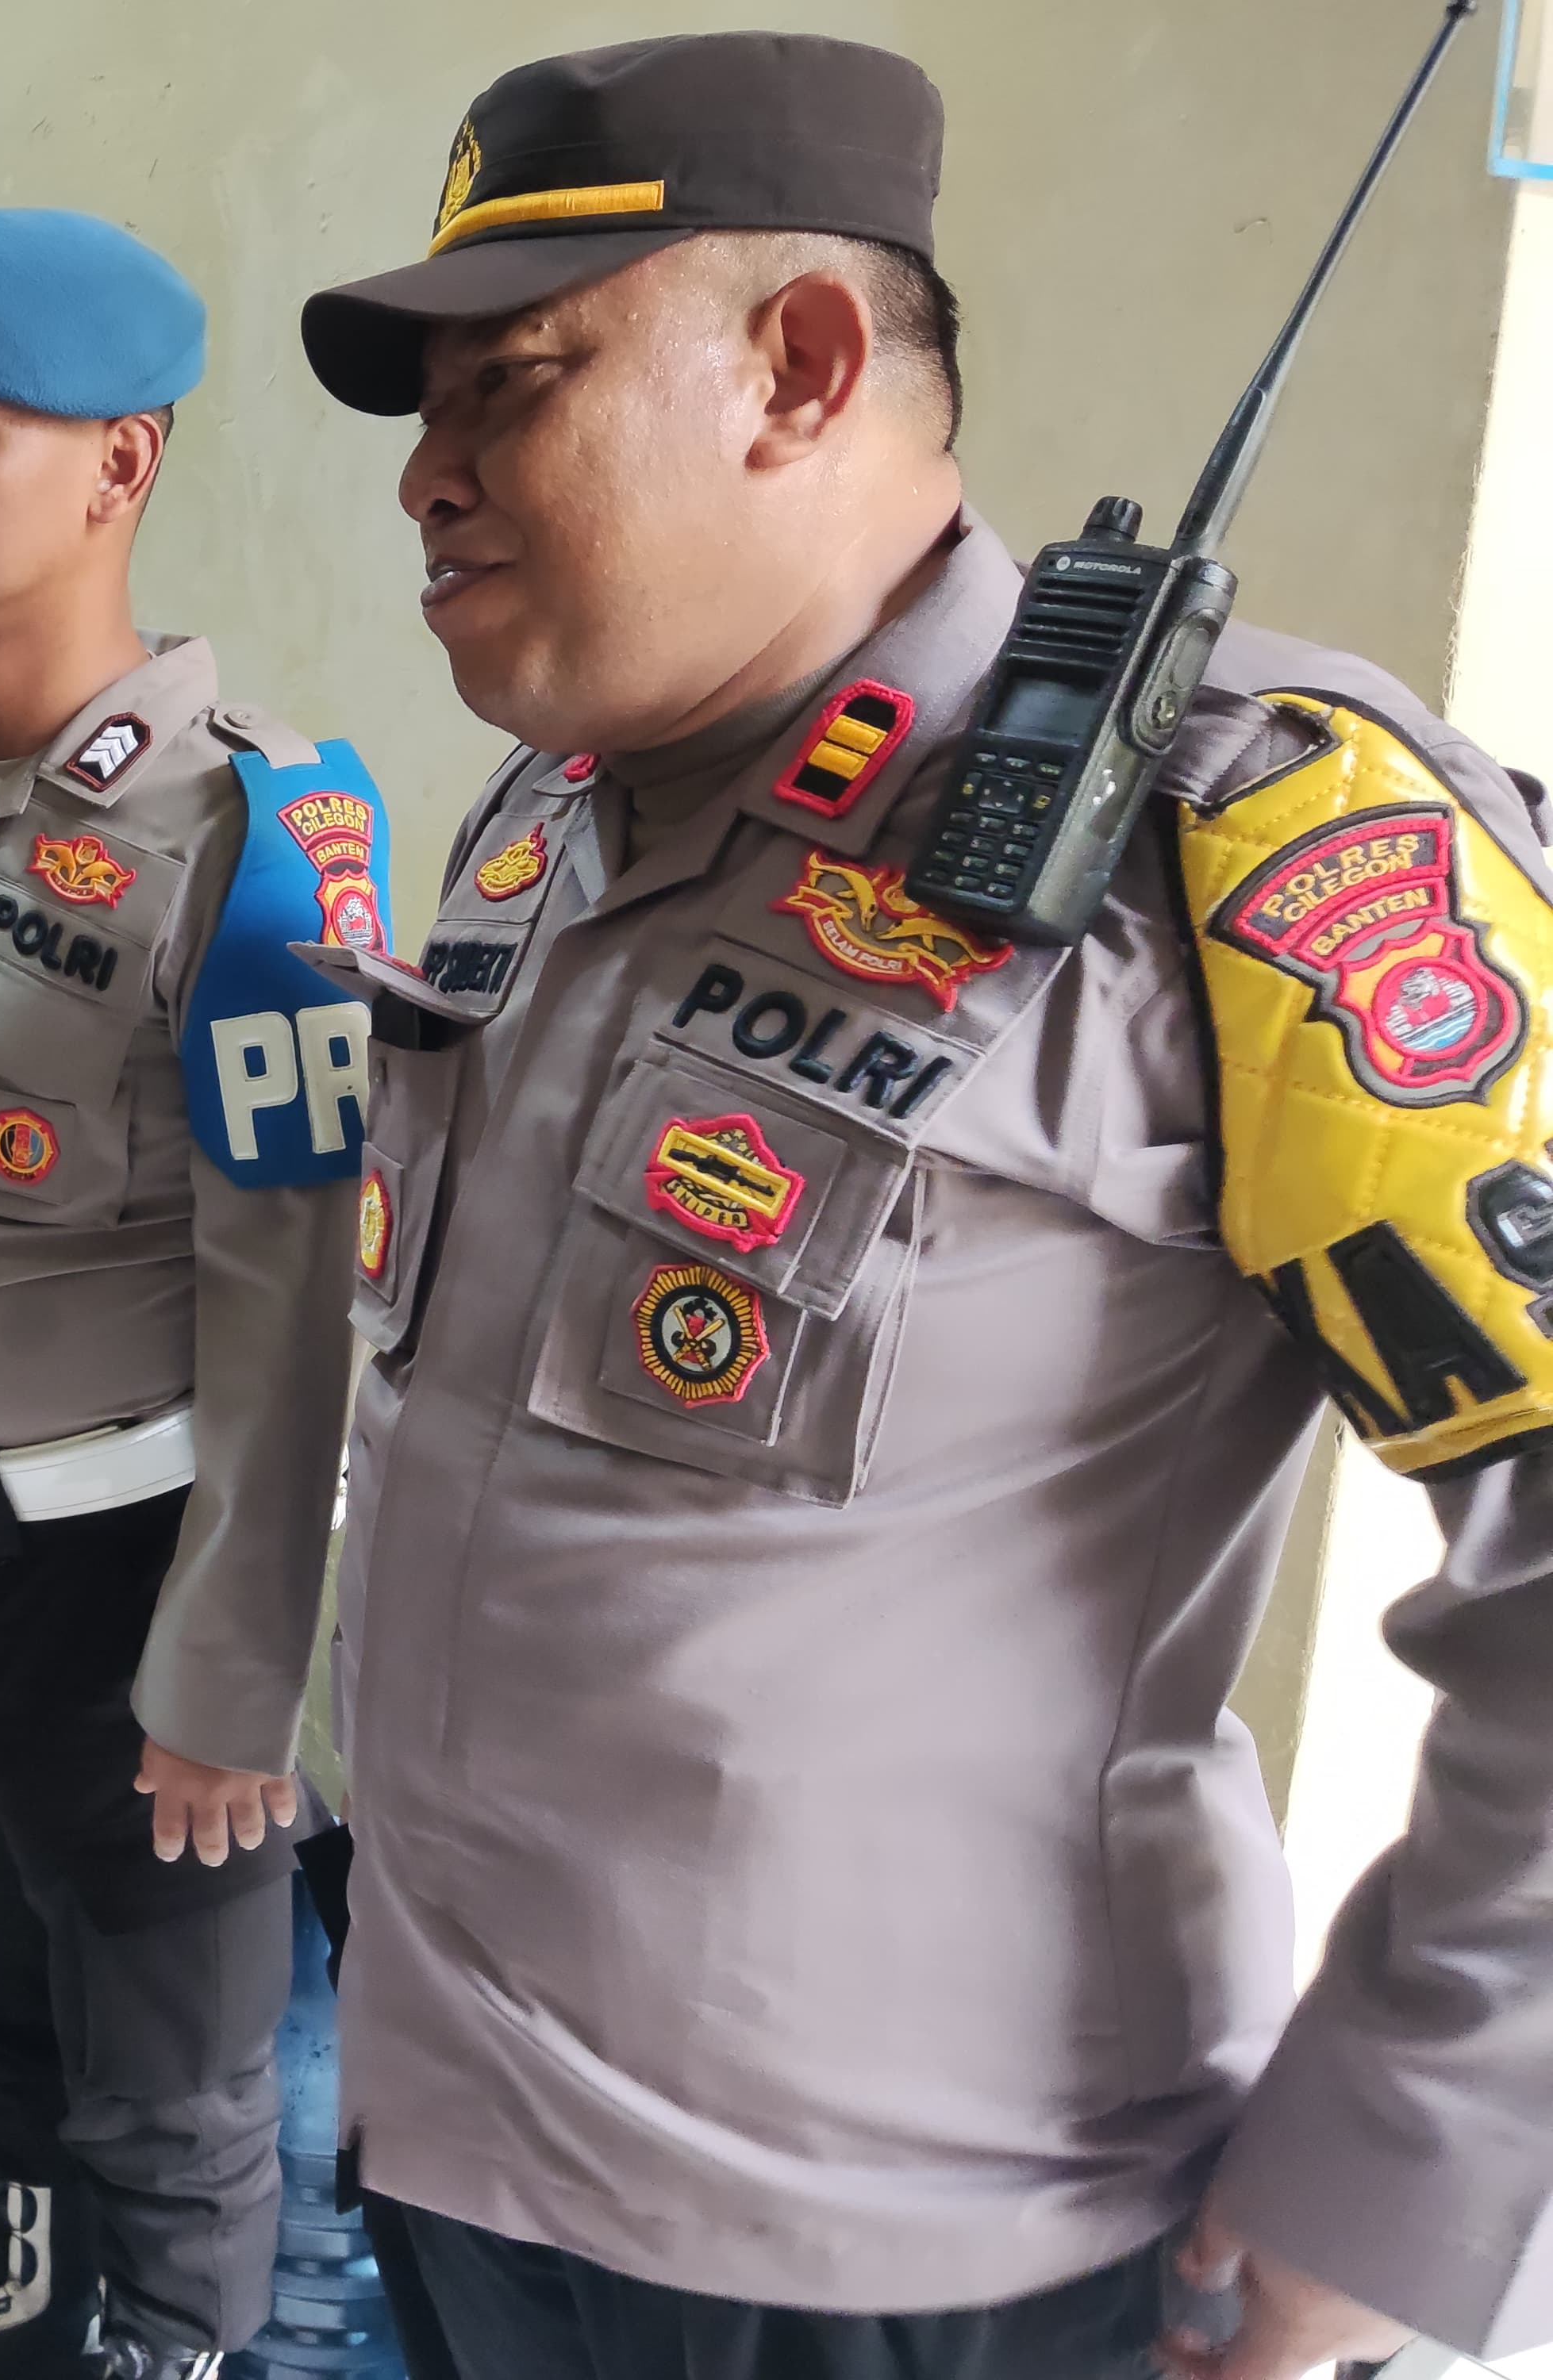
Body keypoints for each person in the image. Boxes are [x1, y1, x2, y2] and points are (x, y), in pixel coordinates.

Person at [294, 32, 1553, 2380]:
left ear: (799, 366)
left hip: (900, 2255)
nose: (425, 477)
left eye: (512, 387)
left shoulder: (1247, 837)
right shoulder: (545, 815)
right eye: (425, 412)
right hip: (453, 2129)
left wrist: (1394, 2164)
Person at [0, 209, 380, 2380]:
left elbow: (299, 1299)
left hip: (123, 1575)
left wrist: (234, 1671)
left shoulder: (258, 831)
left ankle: (173, 2347)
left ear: (119, 467)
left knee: (175, 2064)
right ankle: (31, 2291)